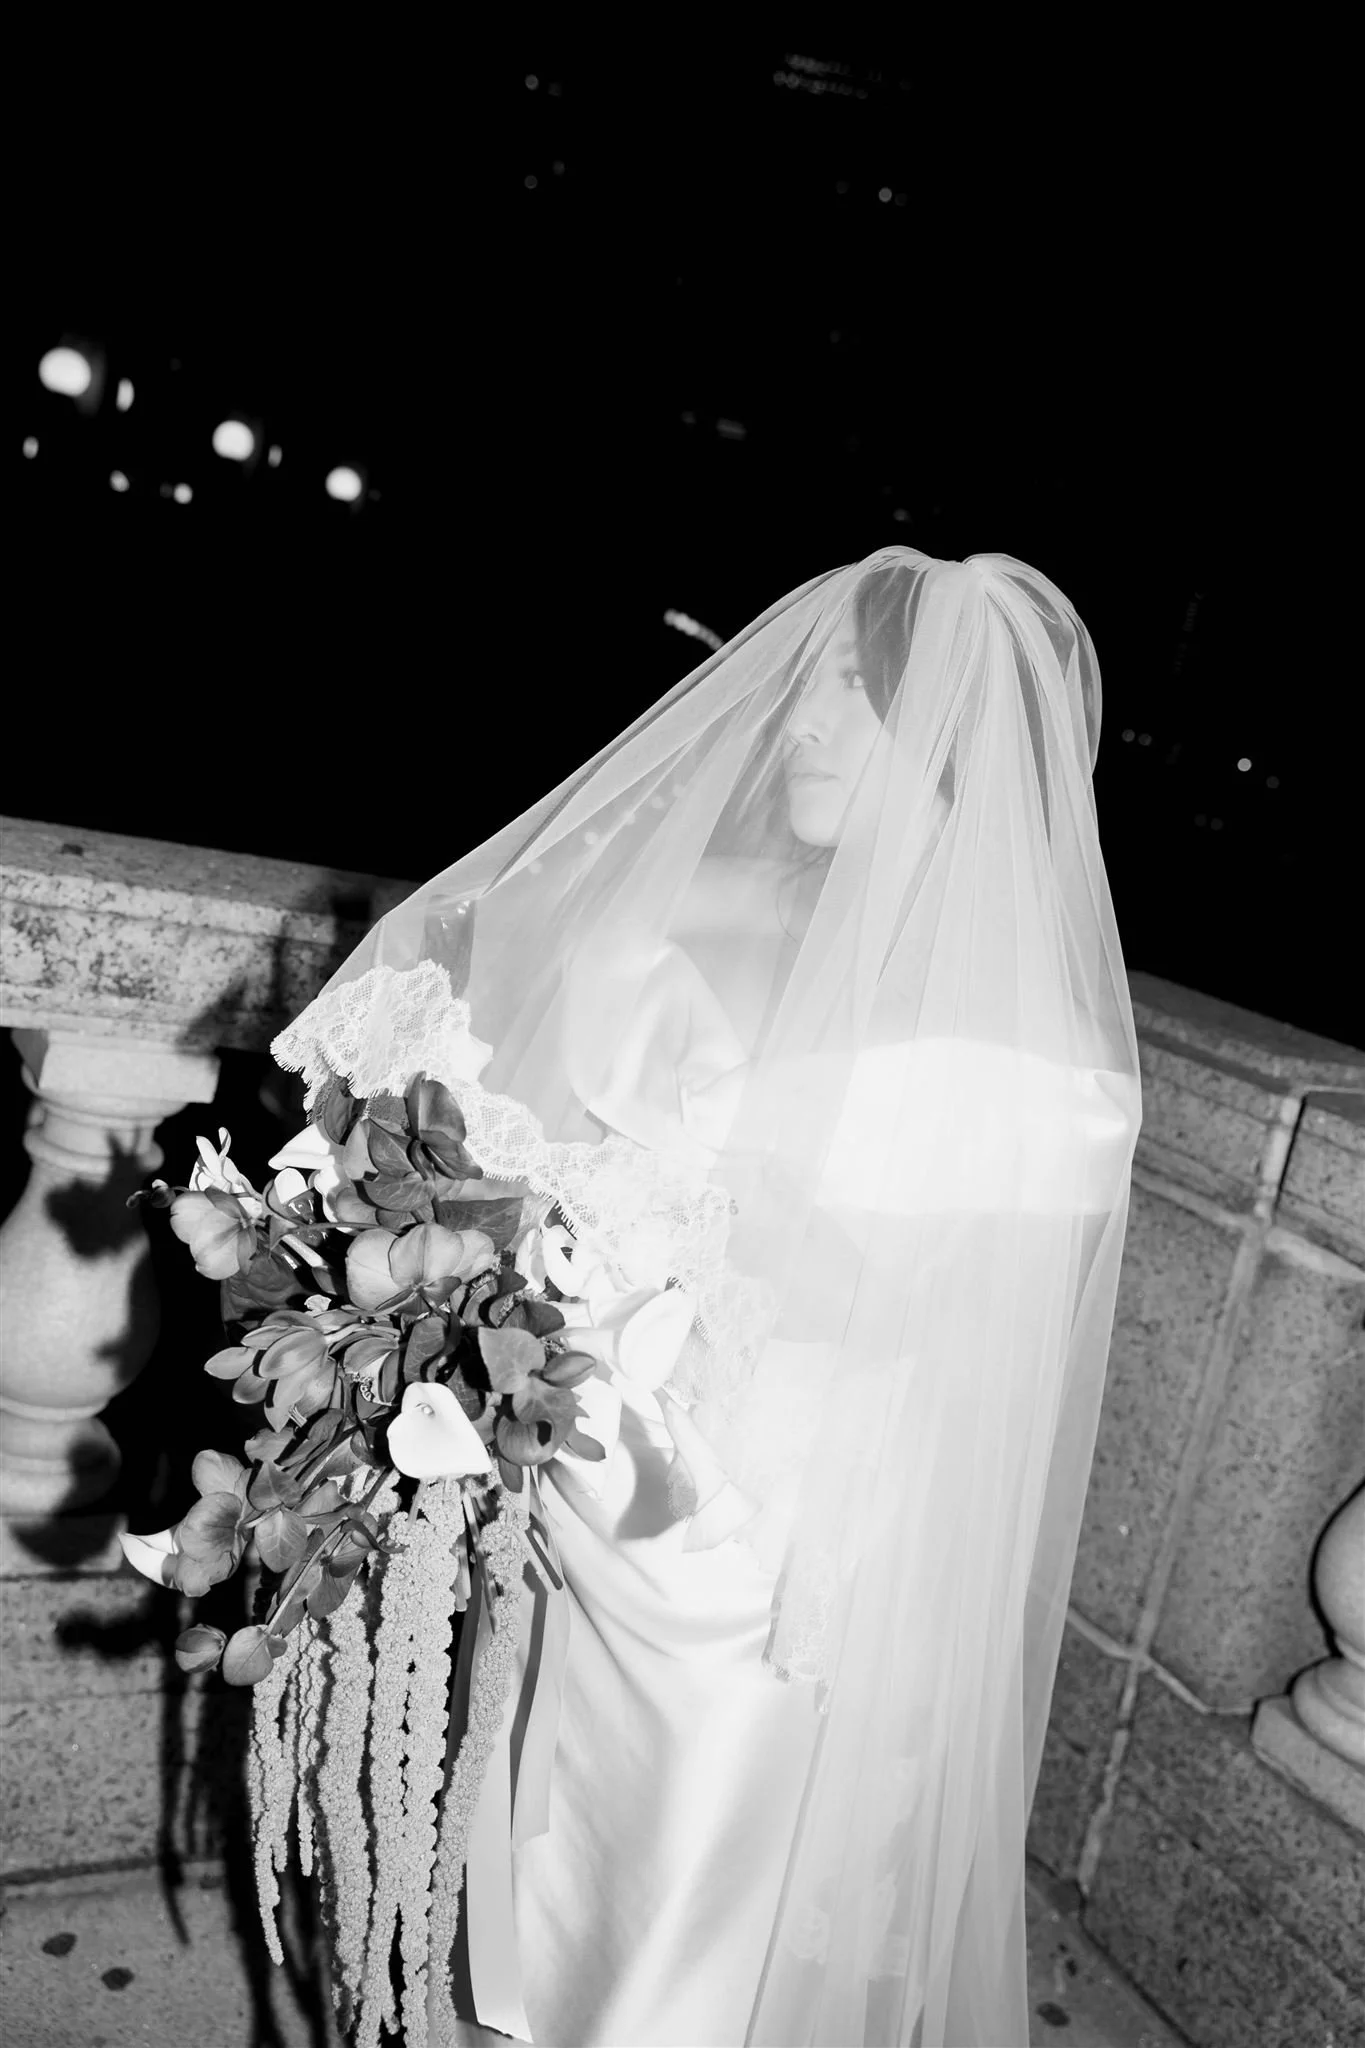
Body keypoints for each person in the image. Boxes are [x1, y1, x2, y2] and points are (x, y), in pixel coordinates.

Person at [269, 546, 1142, 2047]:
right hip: (630, 1485)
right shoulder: (753, 923)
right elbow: (563, 1012)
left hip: (770, 1538)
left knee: (695, 1868)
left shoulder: (1030, 1063)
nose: (798, 730)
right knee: (578, 1833)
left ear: (934, 749)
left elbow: (875, 1305)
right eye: (804, 694)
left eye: (846, 703)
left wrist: (625, 1252)